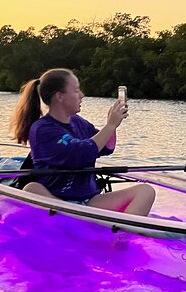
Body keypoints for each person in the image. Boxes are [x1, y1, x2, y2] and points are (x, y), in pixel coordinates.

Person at [10, 68, 155, 216]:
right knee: (32, 189)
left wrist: (113, 124)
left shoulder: (77, 122)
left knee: (145, 191)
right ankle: (73, 218)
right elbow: (82, 153)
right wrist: (110, 125)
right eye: (76, 90)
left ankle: (121, 236)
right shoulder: (42, 129)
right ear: (60, 96)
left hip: (88, 201)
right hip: (56, 200)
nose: (82, 95)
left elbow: (105, 147)